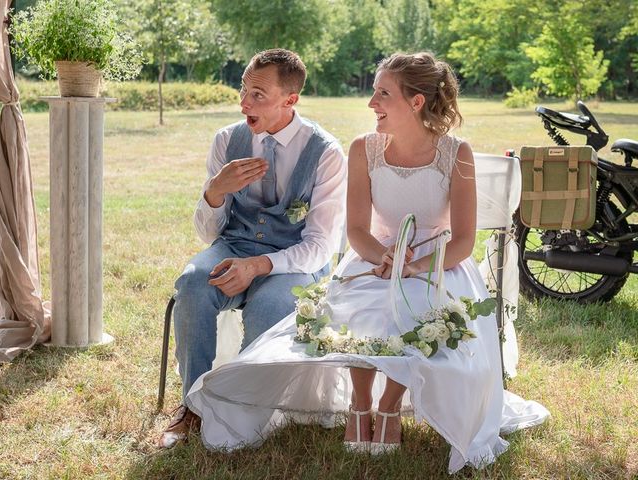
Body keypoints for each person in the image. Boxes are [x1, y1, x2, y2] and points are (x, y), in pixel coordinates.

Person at [185, 52, 549, 473]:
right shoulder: (364, 149)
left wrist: (412, 267)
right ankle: (361, 403)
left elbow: (465, 241)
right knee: (359, 306)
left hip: (436, 263)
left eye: (382, 93)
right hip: (373, 257)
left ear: (415, 102)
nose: (371, 102)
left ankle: (389, 405)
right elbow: (357, 229)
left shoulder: (455, 153)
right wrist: (384, 258)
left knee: (411, 306)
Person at [158, 49, 347, 448]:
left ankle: (247, 409)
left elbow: (320, 247)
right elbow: (209, 235)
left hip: (294, 261)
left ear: (290, 100)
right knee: (193, 282)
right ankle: (192, 405)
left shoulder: (326, 152)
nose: (244, 102)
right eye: (243, 90)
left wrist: (259, 265)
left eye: (258, 94)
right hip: (235, 244)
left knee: (269, 306)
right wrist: (214, 192)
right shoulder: (227, 140)